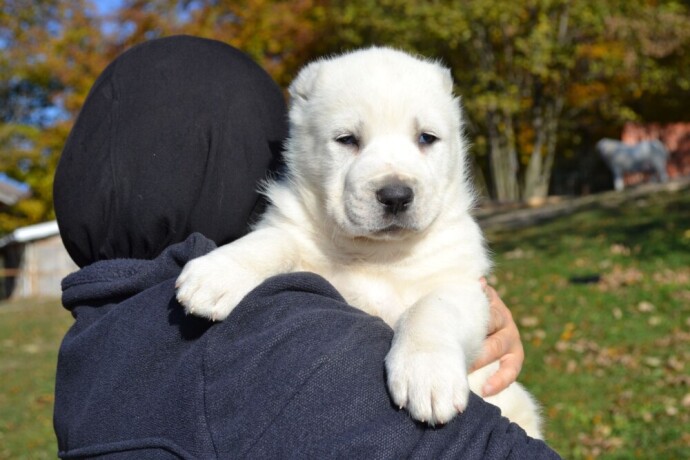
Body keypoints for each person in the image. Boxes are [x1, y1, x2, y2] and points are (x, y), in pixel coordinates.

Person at [53, 35, 560, 459]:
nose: (395, 183)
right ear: (300, 136)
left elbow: (462, 297)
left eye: (426, 137)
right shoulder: (292, 230)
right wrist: (249, 257)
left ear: (454, 135)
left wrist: (436, 334)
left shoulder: (449, 234)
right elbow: (286, 242)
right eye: (348, 140)